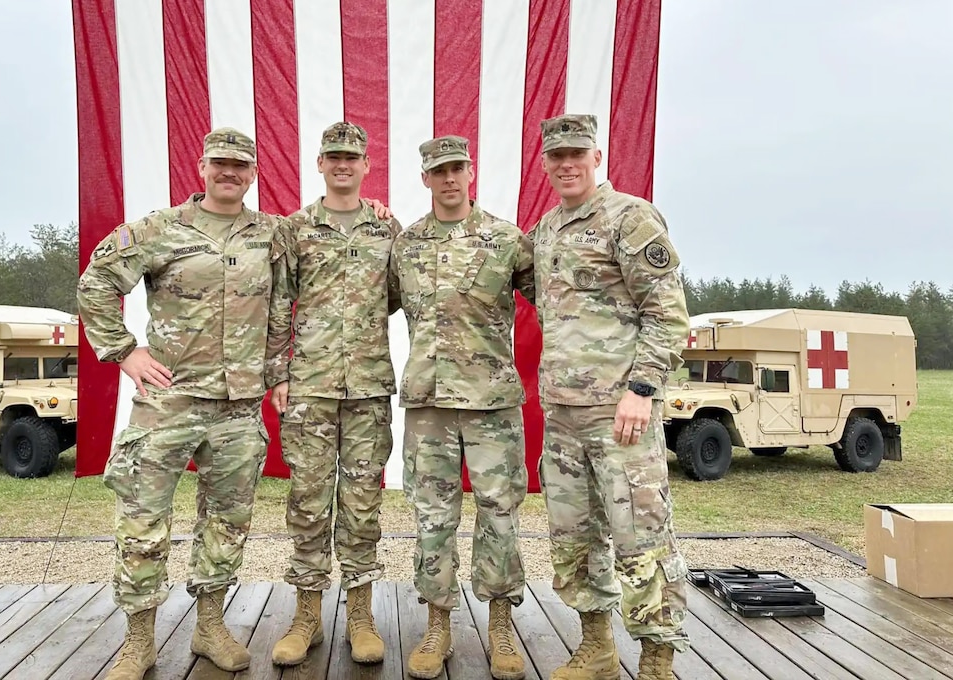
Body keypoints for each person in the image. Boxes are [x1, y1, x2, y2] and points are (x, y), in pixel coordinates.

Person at [77, 127, 294, 680]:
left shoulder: (271, 235)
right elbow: (98, 281)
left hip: (239, 408)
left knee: (227, 522)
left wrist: (272, 374)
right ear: (201, 167)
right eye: (221, 163)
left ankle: (209, 626)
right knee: (143, 520)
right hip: (168, 403)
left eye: (241, 166)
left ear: (253, 175)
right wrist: (125, 352)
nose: (230, 173)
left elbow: (287, 303)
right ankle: (139, 640)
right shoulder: (158, 229)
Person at [529, 113, 690, 680]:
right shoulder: (546, 231)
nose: (567, 163)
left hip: (620, 413)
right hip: (564, 414)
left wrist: (642, 389)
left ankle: (656, 660)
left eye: (577, 153)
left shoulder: (630, 217)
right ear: (545, 163)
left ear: (597, 156)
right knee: (574, 538)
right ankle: (596, 647)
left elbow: (667, 314)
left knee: (640, 533)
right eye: (557, 156)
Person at [391, 135, 535, 680]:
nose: (449, 178)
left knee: (500, 516)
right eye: (438, 171)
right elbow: (367, 304)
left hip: (492, 403)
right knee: (432, 518)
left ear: (470, 172)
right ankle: (438, 624)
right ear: (424, 178)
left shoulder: (506, 239)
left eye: (457, 168)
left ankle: (500, 626)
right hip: (428, 405)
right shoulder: (404, 245)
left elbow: (558, 300)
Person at [268, 121, 402, 667]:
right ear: (319, 165)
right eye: (333, 157)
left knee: (363, 502)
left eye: (352, 157)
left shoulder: (387, 229)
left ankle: (361, 614)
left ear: (367, 165)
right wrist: (278, 373)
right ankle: (306, 616)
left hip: (368, 387)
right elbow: (280, 303)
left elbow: (396, 295)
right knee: (307, 500)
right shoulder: (296, 229)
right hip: (311, 388)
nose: (343, 165)